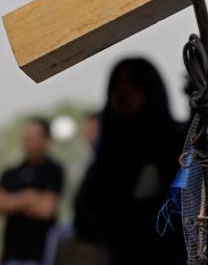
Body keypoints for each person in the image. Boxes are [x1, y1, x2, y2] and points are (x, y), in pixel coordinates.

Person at [74, 58, 184, 265]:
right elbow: (84, 219)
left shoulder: (174, 142)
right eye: (118, 84)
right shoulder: (107, 153)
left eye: (134, 84)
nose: (123, 92)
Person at [0, 118, 64, 265]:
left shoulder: (53, 171)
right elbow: (1, 204)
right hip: (12, 254)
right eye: (26, 137)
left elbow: (46, 209)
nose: (28, 142)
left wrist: (14, 201)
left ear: (46, 140)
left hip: (41, 255)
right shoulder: (11, 173)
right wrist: (31, 197)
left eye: (34, 137)